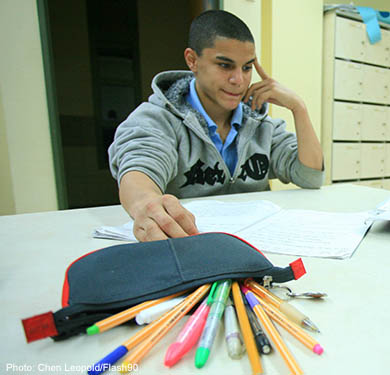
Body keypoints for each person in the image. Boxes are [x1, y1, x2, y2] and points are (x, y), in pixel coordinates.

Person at [109, 10, 324, 242]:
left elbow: (310, 176)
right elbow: (140, 169)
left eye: (247, 67)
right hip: (191, 246)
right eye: (225, 65)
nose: (238, 80)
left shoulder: (261, 123)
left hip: (255, 248)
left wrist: (298, 108)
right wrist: (146, 205)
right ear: (192, 60)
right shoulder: (158, 119)